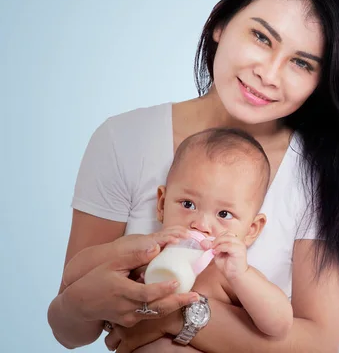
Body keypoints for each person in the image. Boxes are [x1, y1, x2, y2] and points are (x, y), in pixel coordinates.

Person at [47, 0, 339, 352]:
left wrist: (176, 315)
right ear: (221, 22)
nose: (268, 75)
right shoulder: (124, 140)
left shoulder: (318, 172)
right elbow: (69, 330)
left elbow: (320, 344)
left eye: (302, 63)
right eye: (261, 37)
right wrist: (84, 301)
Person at [62, 128, 294, 341]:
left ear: (251, 230)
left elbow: (279, 325)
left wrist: (241, 275)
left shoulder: (228, 274)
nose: (201, 224)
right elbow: (73, 275)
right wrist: (132, 248)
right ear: (162, 204)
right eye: (188, 204)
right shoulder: (143, 252)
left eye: (224, 213)